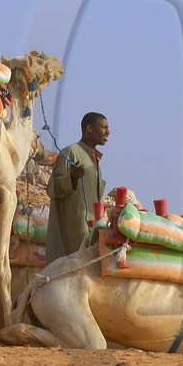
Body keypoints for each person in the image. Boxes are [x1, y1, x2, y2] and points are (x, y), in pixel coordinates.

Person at [48, 112, 109, 264]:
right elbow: (51, 188)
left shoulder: (95, 160)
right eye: (103, 127)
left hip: (91, 230)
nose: (108, 132)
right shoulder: (71, 152)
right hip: (73, 232)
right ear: (89, 128)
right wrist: (72, 178)